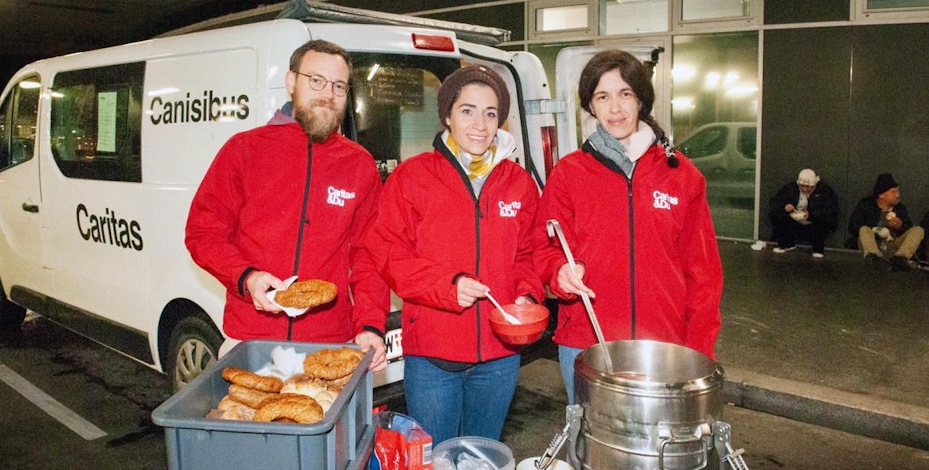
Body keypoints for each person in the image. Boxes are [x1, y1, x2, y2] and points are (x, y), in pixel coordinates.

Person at [364, 66, 544, 443]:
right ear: (447, 115)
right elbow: (387, 253)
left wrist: (527, 295)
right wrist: (446, 286)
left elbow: (529, 253)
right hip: (433, 356)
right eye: (467, 111)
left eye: (490, 113)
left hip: (500, 355)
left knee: (482, 454)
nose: (479, 124)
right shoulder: (412, 177)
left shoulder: (519, 183)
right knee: (438, 456)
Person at [185, 40, 389, 371]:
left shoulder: (358, 164)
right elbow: (203, 234)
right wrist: (247, 278)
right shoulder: (244, 150)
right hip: (251, 339)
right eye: (316, 81)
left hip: (329, 344)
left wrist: (370, 325)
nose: (328, 94)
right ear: (291, 82)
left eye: (339, 86)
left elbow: (370, 256)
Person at [533, 49, 723, 403]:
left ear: (641, 100)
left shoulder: (681, 174)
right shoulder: (569, 173)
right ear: (591, 106)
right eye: (602, 97)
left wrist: (697, 350)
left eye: (625, 94)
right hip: (587, 343)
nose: (615, 108)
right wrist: (559, 272)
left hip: (662, 347)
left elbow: (704, 273)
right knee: (590, 438)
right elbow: (545, 247)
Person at [847, 173, 925, 272]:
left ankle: (900, 258)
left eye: (898, 191)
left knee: (918, 230)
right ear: (881, 195)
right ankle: (874, 258)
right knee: (864, 229)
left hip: (891, 246)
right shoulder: (866, 205)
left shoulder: (900, 208)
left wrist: (900, 226)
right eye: (893, 192)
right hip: (872, 244)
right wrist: (876, 230)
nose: (897, 195)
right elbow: (853, 227)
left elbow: (908, 229)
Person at [767, 168, 839, 258]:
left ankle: (818, 248)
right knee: (776, 214)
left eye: (808, 187)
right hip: (795, 223)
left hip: (815, 225)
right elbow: (776, 201)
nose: (804, 189)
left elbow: (830, 210)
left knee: (822, 220)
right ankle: (787, 244)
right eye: (802, 186)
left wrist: (811, 215)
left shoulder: (825, 191)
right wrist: (785, 206)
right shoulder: (791, 188)